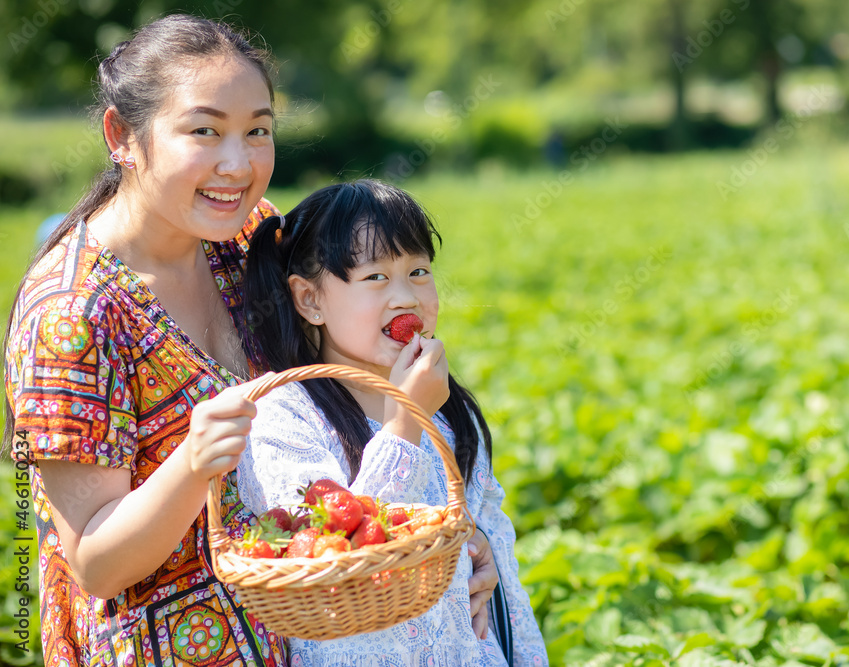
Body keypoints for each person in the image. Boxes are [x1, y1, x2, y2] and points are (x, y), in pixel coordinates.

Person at [2, 15, 287, 665]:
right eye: (204, 131)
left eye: (258, 131)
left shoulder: (252, 239)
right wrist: (193, 461)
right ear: (122, 136)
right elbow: (97, 563)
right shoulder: (73, 314)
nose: (238, 165)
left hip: (296, 628)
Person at [236, 179, 549, 666]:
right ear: (309, 299)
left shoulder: (451, 412)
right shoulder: (284, 416)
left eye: (418, 270)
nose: (405, 295)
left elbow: (498, 565)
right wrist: (406, 417)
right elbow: (331, 556)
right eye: (375, 277)